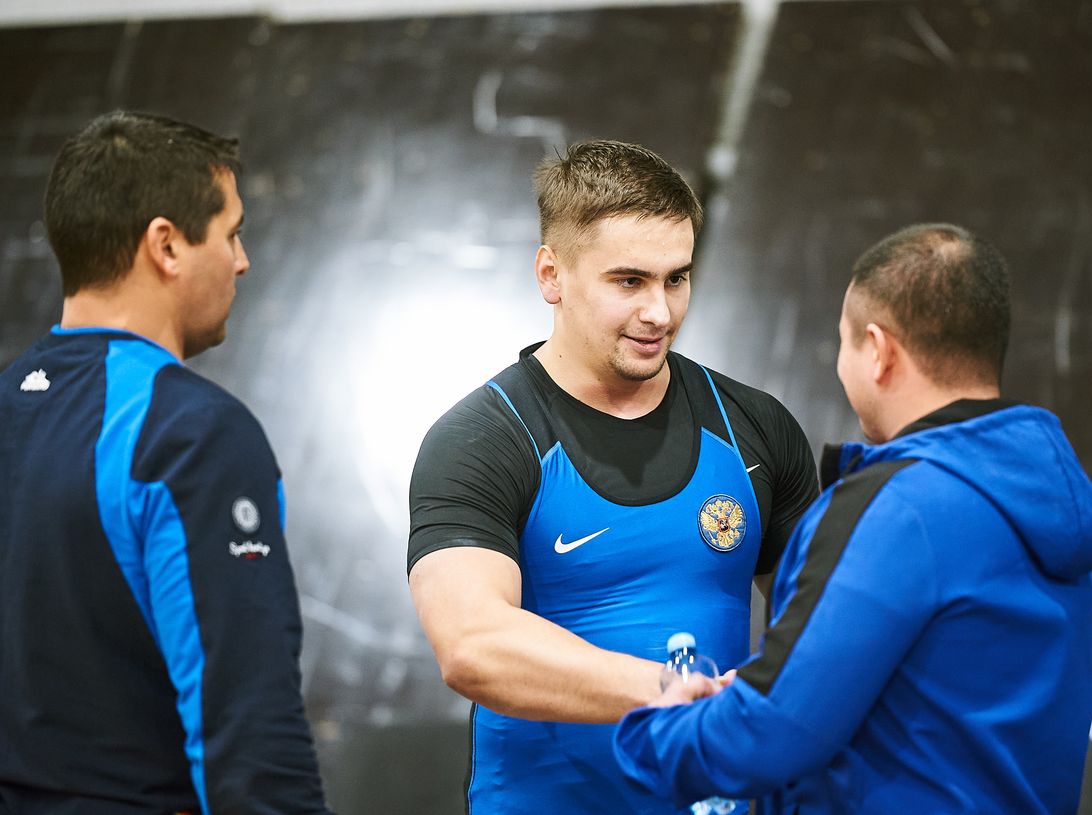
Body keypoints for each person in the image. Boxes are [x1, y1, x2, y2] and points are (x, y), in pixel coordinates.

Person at [613, 223, 1092, 814]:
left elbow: (767, 737)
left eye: (843, 344)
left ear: (878, 351)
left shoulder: (898, 510)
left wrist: (658, 731)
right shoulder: (1049, 496)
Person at [407, 139, 821, 813]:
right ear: (552, 275)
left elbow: (821, 630)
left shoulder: (755, 425)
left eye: (676, 279)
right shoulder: (481, 439)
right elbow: (472, 644)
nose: (660, 312)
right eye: (629, 281)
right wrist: (665, 690)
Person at [0, 111, 333, 814]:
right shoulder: (191, 433)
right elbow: (247, 726)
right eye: (231, 233)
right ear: (167, 245)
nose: (241, 260)